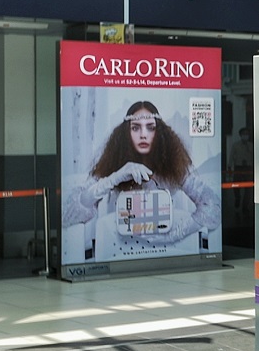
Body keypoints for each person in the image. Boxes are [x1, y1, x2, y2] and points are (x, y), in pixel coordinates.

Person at [63, 100, 220, 251]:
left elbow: (213, 206)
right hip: (118, 247)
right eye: (136, 128)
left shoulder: (174, 166)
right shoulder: (113, 163)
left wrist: (175, 234)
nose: (143, 135)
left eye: (150, 128)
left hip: (166, 250)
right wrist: (114, 177)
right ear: (126, 132)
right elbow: (69, 213)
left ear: (159, 132)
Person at [229, 127, 254, 211]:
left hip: (248, 168)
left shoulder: (251, 145)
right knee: (236, 185)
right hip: (238, 167)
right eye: (244, 134)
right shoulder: (235, 145)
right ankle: (237, 198)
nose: (245, 136)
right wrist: (229, 166)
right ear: (240, 135)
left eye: (247, 134)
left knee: (249, 188)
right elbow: (231, 156)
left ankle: (245, 206)